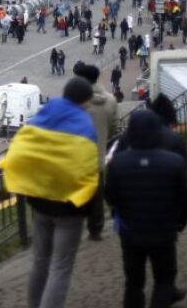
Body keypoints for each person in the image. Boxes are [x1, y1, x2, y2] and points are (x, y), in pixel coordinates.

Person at [0, 77, 99, 308]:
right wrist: (91, 211)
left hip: (39, 200)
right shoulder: (84, 124)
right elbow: (90, 170)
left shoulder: (44, 114)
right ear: (85, 101)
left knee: (40, 261)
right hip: (69, 206)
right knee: (61, 267)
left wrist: (13, 180)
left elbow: (21, 147)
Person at [104, 110, 187, 308]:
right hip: (163, 231)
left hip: (131, 231)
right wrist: (180, 221)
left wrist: (121, 211)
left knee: (133, 283)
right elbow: (184, 197)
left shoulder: (118, 163)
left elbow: (110, 195)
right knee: (164, 280)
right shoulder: (173, 162)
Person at [74, 62, 117, 241]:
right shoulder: (110, 100)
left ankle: (74, 228)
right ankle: (96, 229)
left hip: (76, 157)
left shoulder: (75, 102)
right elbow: (113, 128)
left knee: (76, 193)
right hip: (98, 155)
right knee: (97, 194)